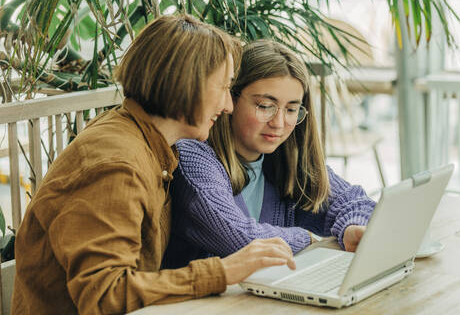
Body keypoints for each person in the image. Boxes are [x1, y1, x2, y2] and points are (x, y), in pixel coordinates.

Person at [12, 16, 296, 315]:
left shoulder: (146, 143)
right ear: (188, 83)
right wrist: (221, 272)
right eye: (223, 88)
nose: (227, 106)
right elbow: (103, 296)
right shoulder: (117, 163)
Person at [163, 40, 377, 269]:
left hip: (260, 297)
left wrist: (352, 228)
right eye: (265, 106)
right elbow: (241, 239)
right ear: (230, 99)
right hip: (200, 303)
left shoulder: (284, 158)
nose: (279, 123)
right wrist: (310, 238)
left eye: (292, 109)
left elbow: (355, 201)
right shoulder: (192, 156)